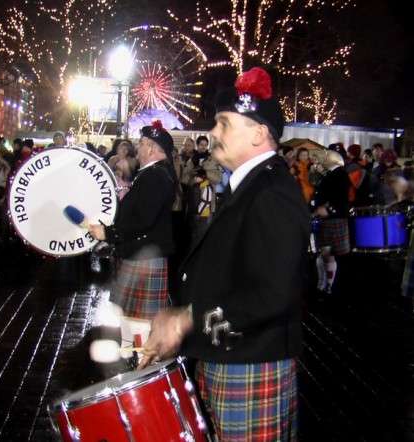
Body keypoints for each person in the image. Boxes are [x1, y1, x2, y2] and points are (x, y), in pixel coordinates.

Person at [139, 67, 309, 441]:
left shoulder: (271, 193)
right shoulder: (249, 188)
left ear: (259, 132)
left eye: (224, 123)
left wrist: (187, 319)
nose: (213, 133)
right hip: (229, 356)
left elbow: (272, 295)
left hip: (249, 362)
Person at [88, 120, 176, 321]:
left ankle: (137, 352)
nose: (137, 147)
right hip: (140, 254)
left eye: (141, 143)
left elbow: (144, 220)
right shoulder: (149, 173)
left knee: (140, 324)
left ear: (152, 148)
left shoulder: (156, 175)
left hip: (144, 257)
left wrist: (109, 234)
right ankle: (131, 350)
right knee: (131, 320)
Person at [312, 150, 351, 293]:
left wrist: (328, 209)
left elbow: (340, 198)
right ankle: (324, 284)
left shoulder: (340, 174)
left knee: (328, 255)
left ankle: (328, 286)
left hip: (333, 218)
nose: (321, 159)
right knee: (324, 254)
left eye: (325, 157)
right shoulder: (331, 174)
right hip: (327, 218)